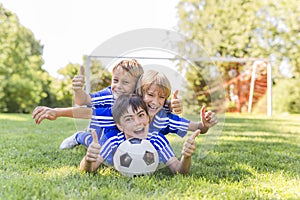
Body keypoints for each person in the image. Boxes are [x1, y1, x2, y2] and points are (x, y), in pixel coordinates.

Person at [32, 60, 182, 149]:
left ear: (136, 86)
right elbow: (83, 102)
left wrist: (170, 104)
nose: (117, 86)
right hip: (101, 128)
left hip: (123, 130)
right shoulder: (108, 95)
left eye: (125, 82)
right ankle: (80, 136)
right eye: (115, 80)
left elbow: (156, 101)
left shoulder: (139, 97)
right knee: (100, 144)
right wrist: (75, 93)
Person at [80, 94, 200, 175]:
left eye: (141, 115)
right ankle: (78, 137)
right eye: (129, 119)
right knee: (89, 141)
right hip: (100, 137)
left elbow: (179, 170)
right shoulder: (112, 141)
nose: (138, 123)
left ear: (148, 118)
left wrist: (186, 157)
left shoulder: (157, 140)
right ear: (120, 126)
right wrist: (88, 160)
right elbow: (87, 170)